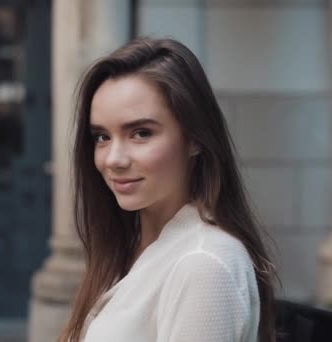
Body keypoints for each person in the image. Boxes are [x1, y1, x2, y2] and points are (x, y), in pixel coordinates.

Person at [59, 37, 277, 342]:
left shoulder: (203, 265)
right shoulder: (132, 246)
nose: (114, 159)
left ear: (195, 138)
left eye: (141, 133)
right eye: (101, 137)